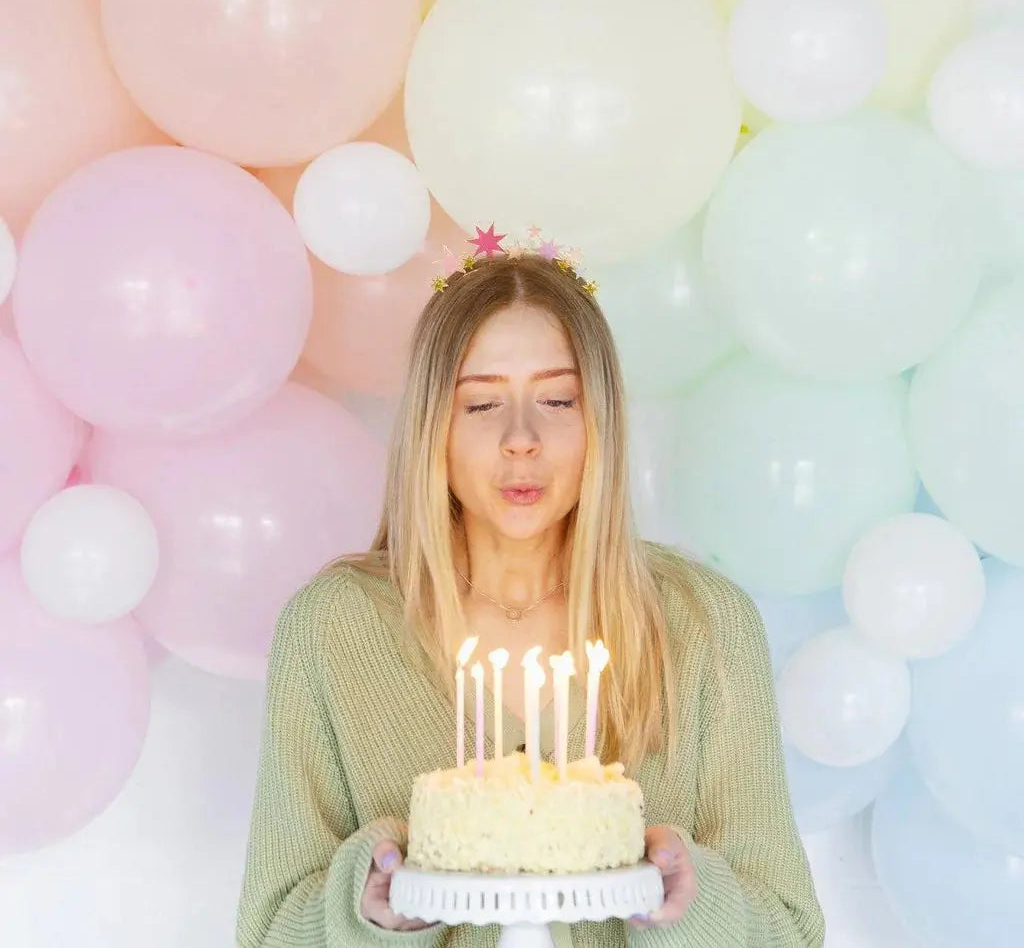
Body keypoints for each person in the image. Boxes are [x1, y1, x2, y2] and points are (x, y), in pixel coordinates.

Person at [235, 237, 826, 948]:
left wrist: (692, 899)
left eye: (556, 399)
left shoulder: (706, 622)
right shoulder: (333, 629)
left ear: (599, 419)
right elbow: (269, 934)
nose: (522, 438)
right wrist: (368, 908)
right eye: (482, 405)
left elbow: (789, 931)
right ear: (434, 428)